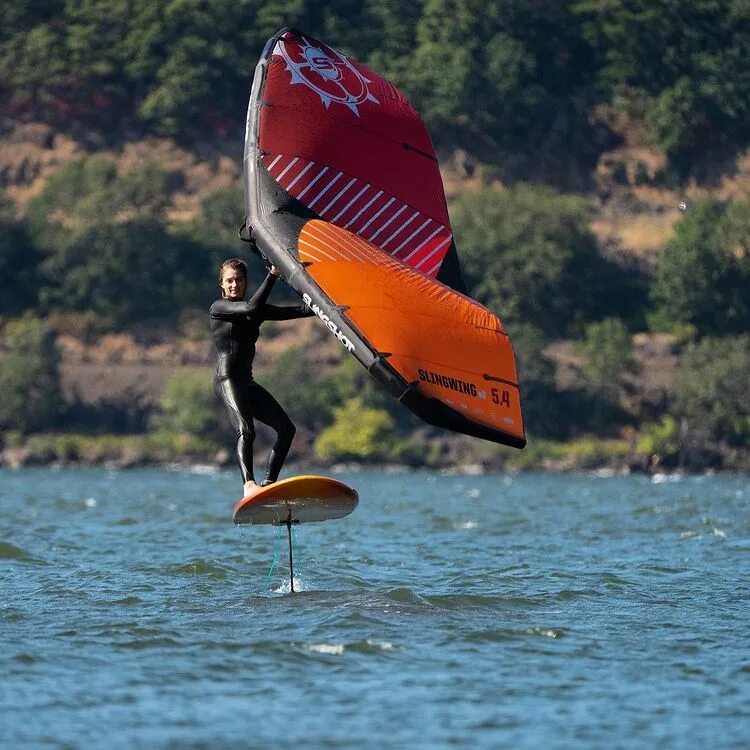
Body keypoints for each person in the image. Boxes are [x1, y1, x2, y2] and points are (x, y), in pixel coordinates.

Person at [210, 251, 312, 497]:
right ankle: (248, 486)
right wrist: (273, 275)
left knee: (286, 429)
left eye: (240, 280)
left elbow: (298, 310)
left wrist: (328, 305)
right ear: (222, 284)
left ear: (245, 282)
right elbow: (251, 309)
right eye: (230, 280)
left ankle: (268, 486)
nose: (235, 285)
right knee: (246, 430)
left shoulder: (254, 309)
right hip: (228, 379)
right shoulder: (219, 308)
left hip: (247, 382)